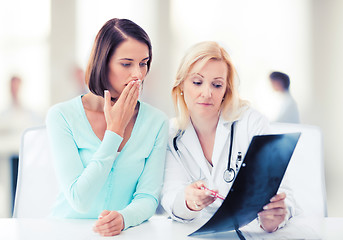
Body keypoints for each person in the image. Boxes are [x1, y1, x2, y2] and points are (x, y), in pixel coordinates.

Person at [46, 18, 168, 236]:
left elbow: (148, 197)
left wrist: (124, 218)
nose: (138, 75)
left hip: (125, 233)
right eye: (126, 64)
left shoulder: (156, 122)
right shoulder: (61, 116)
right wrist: (114, 132)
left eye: (143, 63)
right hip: (66, 232)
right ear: (103, 63)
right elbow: (79, 200)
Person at [160, 41, 296, 233]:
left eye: (217, 85)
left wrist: (275, 217)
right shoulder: (171, 134)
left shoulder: (252, 123)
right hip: (196, 231)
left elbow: (283, 193)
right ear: (181, 84)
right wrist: (188, 201)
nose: (207, 93)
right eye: (197, 82)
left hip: (251, 231)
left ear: (226, 90)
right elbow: (170, 196)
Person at [0, 75, 43, 212]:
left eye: (17, 86)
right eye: (13, 86)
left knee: (24, 191)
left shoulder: (29, 112)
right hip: (9, 156)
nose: (15, 90)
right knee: (10, 192)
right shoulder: (5, 113)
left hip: (26, 156)